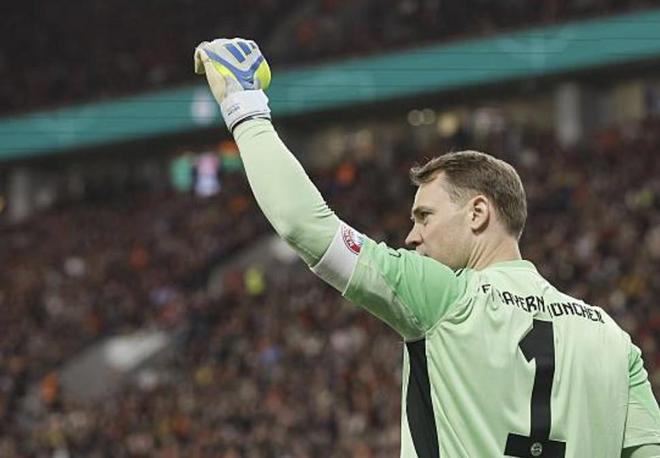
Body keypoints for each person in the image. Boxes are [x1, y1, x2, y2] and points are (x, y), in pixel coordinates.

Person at [193, 38, 660, 457]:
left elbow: (307, 227)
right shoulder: (613, 342)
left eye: (425, 216)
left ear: (478, 213)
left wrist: (244, 107)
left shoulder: (446, 298)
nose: (412, 237)